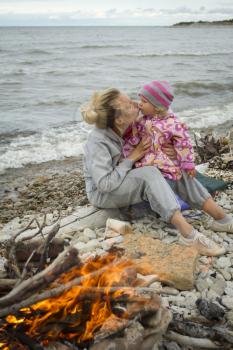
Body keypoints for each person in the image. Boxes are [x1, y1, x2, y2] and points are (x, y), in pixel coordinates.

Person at [80, 87, 233, 257]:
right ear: (119, 120)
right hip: (103, 193)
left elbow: (165, 116)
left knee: (175, 169)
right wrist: (132, 157)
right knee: (150, 173)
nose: (136, 104)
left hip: (125, 177)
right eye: (130, 105)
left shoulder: (131, 121)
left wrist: (173, 152)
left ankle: (221, 218)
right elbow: (104, 184)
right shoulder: (98, 142)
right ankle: (188, 235)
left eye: (132, 99)